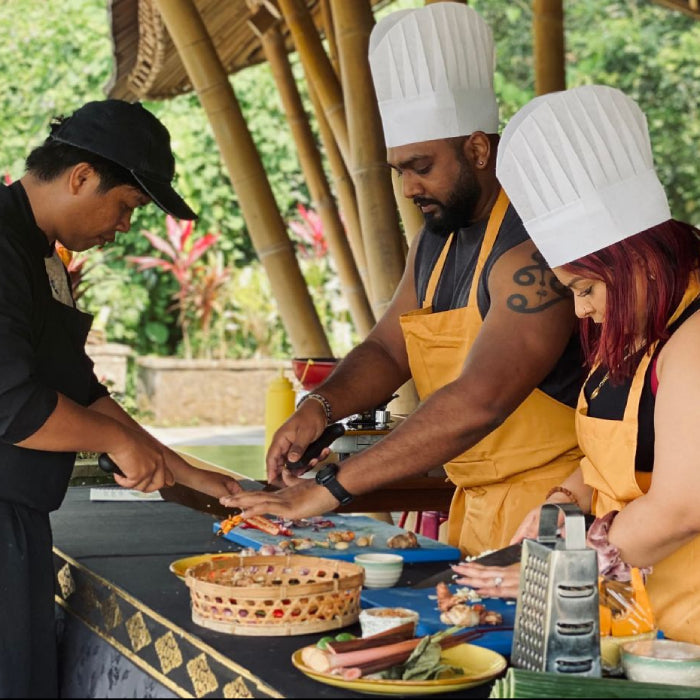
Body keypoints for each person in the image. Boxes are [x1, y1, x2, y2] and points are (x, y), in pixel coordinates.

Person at [222, 2, 584, 557]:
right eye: (400, 172)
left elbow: (479, 400)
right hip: (476, 509)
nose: (410, 189)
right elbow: (388, 349)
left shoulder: (530, 245)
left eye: (422, 167)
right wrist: (318, 409)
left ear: (478, 149)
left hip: (556, 512)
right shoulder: (435, 240)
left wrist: (332, 488)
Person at [0, 98, 242, 698]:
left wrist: (195, 476)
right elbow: (11, 404)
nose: (125, 227)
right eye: (128, 205)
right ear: (81, 176)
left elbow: (79, 388)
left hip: (19, 518)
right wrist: (113, 441)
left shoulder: (37, 251)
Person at [456, 84, 700, 644]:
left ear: (636, 259)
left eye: (586, 287)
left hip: (686, 631)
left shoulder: (693, 338)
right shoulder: (637, 323)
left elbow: (684, 505)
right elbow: (612, 462)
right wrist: (555, 512)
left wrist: (561, 565)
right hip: (628, 619)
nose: (581, 310)